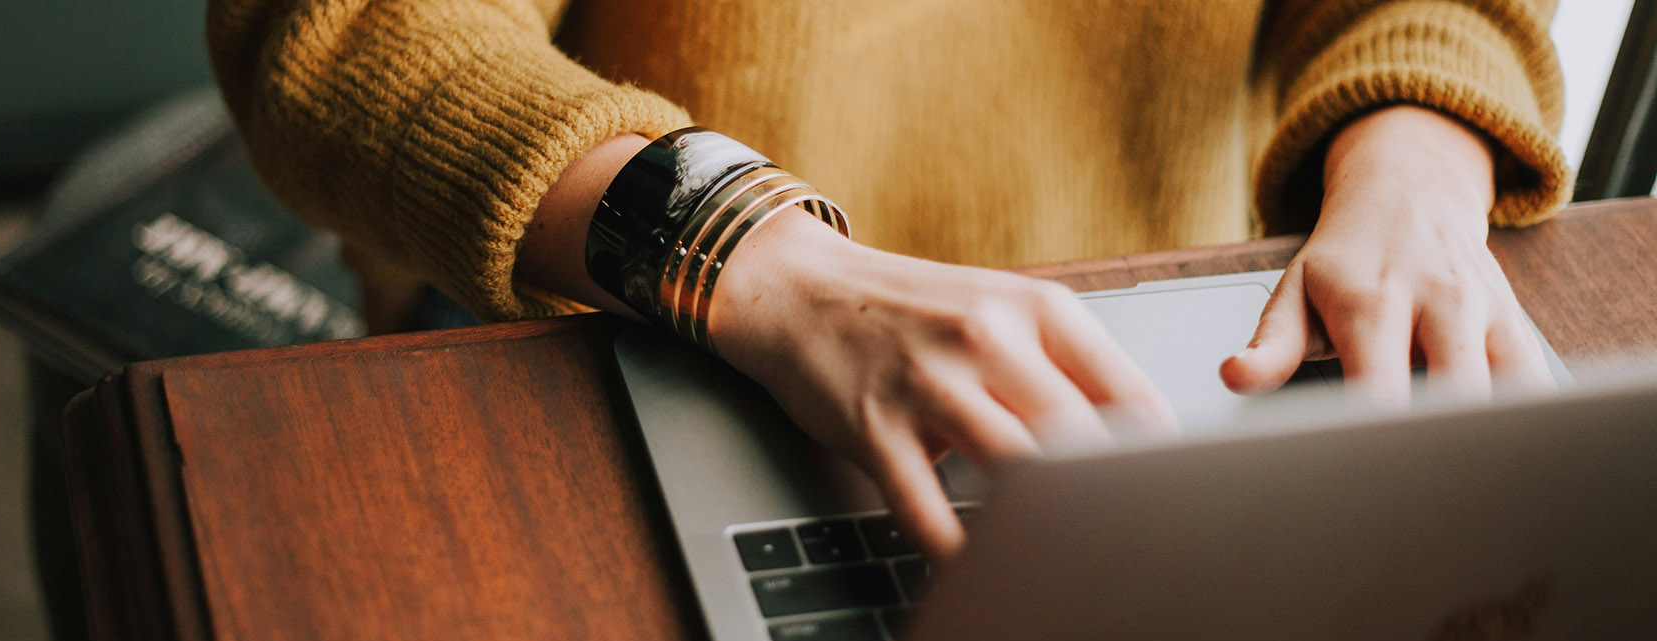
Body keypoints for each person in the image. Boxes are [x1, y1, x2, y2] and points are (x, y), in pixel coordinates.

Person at [207, 0, 1571, 555]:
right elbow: (338, 32)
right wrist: (754, 255)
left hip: (1164, 371)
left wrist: (1418, 161)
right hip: (631, 333)